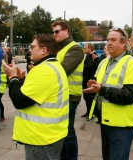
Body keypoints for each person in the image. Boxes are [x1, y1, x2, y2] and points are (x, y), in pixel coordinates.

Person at [2, 33, 69, 160]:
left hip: (40, 138)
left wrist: (12, 78)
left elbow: (20, 101)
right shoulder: (55, 66)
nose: (29, 50)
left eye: (32, 47)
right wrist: (21, 80)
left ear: (44, 50)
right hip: (51, 134)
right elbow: (36, 94)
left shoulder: (43, 70)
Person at [83, 28, 133, 160]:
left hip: (122, 124)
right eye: (108, 40)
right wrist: (94, 85)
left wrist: (101, 90)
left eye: (113, 40)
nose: (109, 43)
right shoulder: (104, 62)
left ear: (124, 43)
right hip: (105, 120)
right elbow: (102, 85)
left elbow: (128, 95)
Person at [52, 20, 84, 160]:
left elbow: (64, 70)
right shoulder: (60, 48)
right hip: (61, 94)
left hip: (70, 95)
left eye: (57, 31)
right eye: (53, 32)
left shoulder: (75, 48)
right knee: (62, 130)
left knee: (68, 131)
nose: (54, 34)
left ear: (66, 30)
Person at [81, 43, 97, 118]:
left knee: (89, 98)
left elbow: (88, 67)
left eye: (85, 48)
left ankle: (91, 113)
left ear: (90, 49)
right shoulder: (87, 56)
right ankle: (88, 112)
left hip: (89, 80)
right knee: (86, 98)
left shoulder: (93, 56)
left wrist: (81, 65)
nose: (84, 49)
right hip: (85, 80)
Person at [0, 48, 8, 122]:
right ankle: (1, 116)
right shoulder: (4, 62)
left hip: (0, 85)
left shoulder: (1, 62)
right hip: (2, 85)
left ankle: (1, 116)